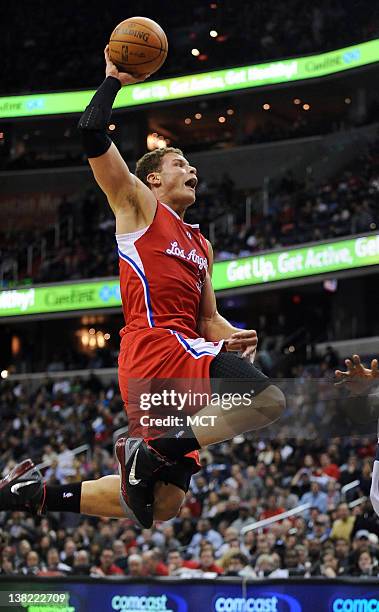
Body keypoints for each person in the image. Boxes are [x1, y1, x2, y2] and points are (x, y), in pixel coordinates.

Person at [0, 47, 284, 529]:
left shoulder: (201, 244)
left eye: (193, 166)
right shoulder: (136, 206)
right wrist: (112, 81)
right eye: (180, 163)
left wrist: (233, 333)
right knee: (269, 401)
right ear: (153, 178)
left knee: (160, 506)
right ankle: (150, 451)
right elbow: (90, 133)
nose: (192, 170)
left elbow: (208, 319)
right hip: (156, 344)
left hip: (180, 348)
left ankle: (32, 495)